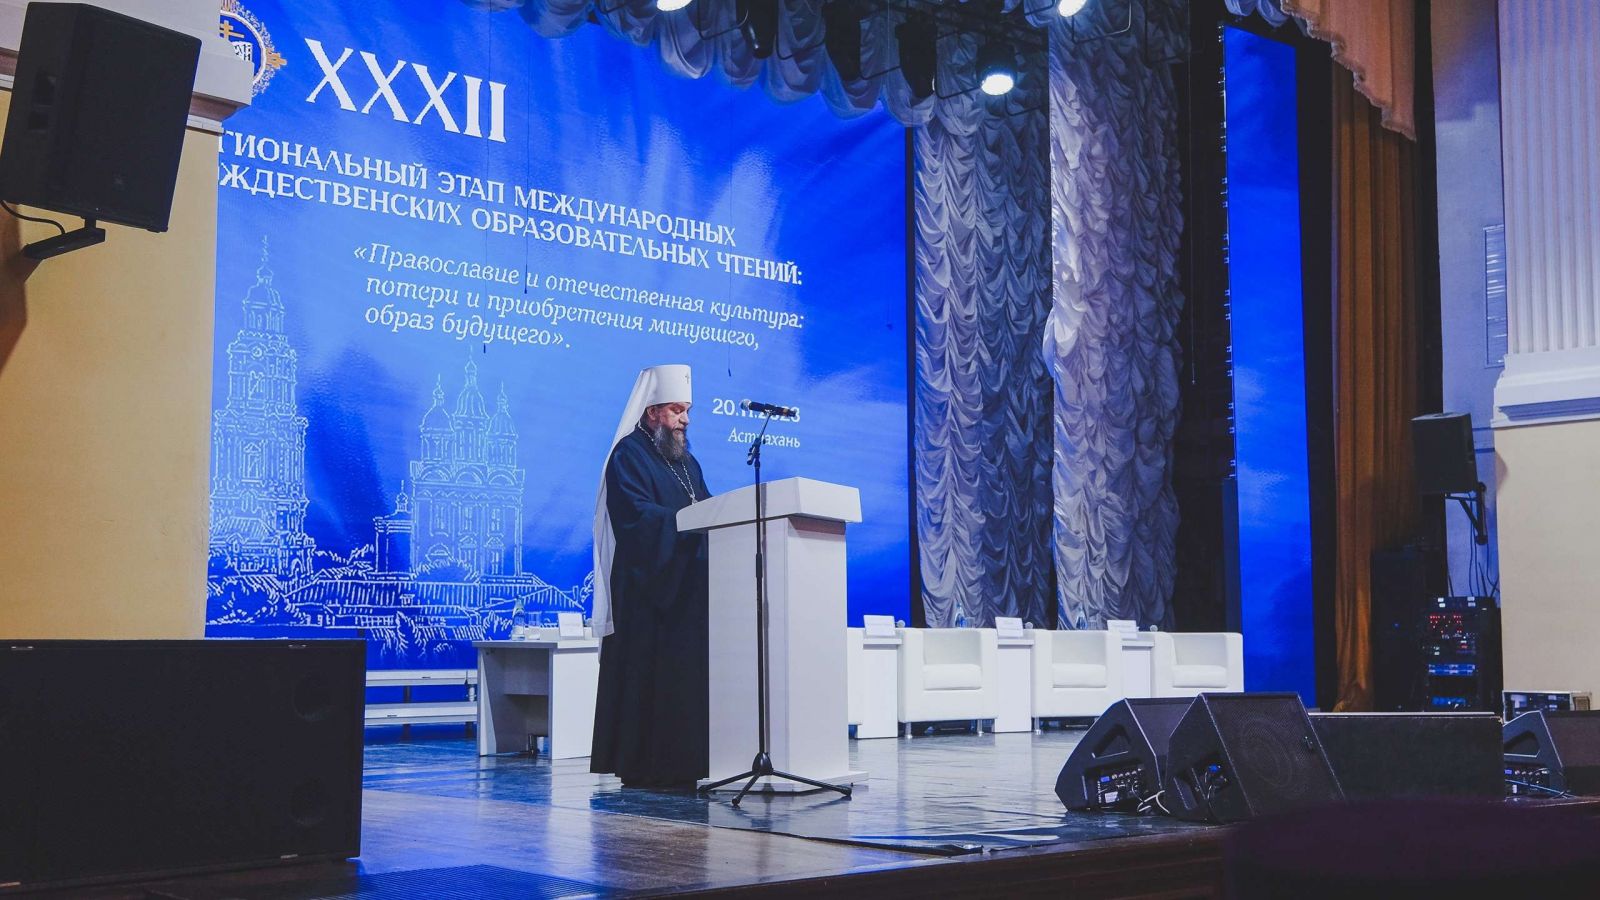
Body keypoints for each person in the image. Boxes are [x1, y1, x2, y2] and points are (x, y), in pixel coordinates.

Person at [590, 364, 712, 789]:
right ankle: (646, 766)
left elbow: (708, 507)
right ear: (652, 411)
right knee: (648, 680)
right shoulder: (628, 455)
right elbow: (636, 517)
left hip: (687, 589)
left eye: (687, 411)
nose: (685, 420)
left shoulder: (687, 462)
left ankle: (690, 761)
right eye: (677, 410)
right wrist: (686, 525)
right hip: (647, 590)